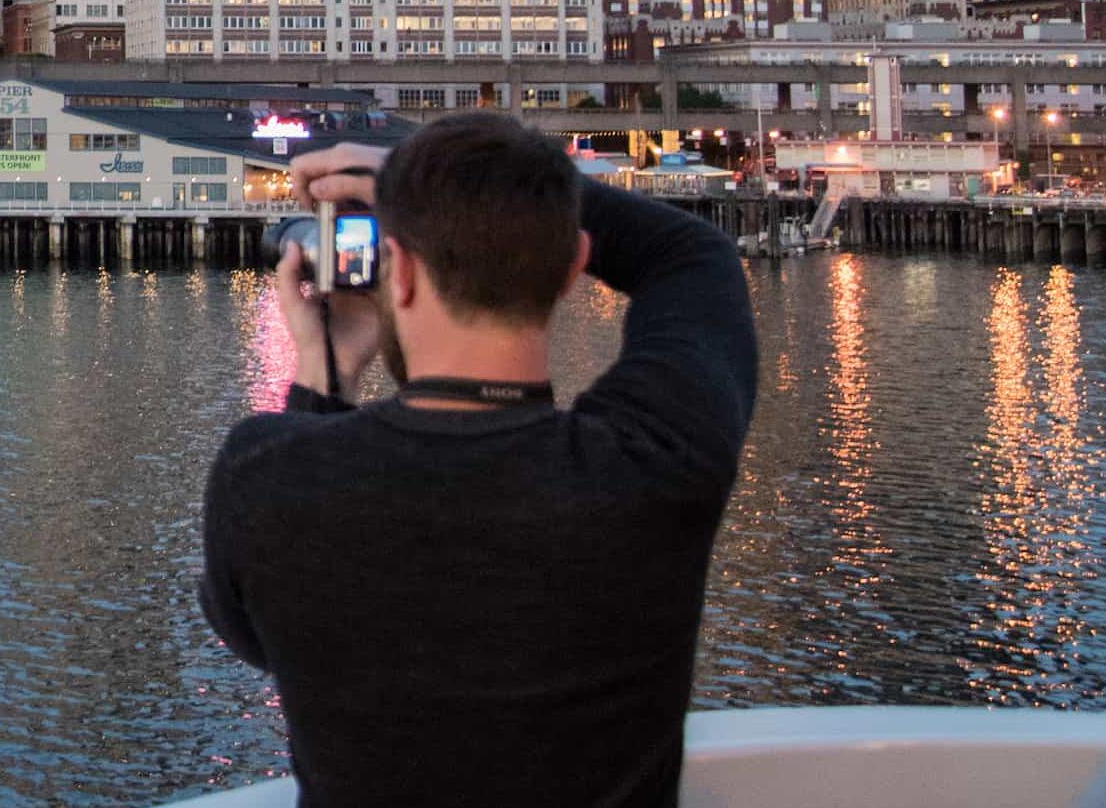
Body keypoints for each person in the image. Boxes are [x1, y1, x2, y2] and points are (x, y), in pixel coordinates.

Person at [198, 112, 757, 807]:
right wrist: (457, 186)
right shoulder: (656, 463)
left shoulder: (266, 479)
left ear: (395, 271)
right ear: (572, 268)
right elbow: (692, 255)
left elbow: (263, 638)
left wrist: (326, 375)